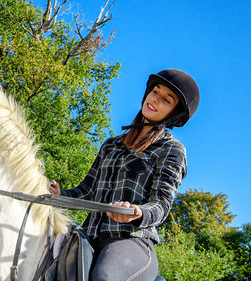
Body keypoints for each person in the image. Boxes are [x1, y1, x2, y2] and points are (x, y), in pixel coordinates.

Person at [49, 69, 200, 280]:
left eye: (166, 99)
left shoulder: (172, 150)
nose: (155, 100)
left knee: (104, 277)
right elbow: (87, 191)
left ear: (174, 113)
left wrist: (138, 212)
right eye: (155, 92)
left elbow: (161, 205)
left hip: (133, 241)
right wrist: (59, 195)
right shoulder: (111, 145)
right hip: (88, 237)